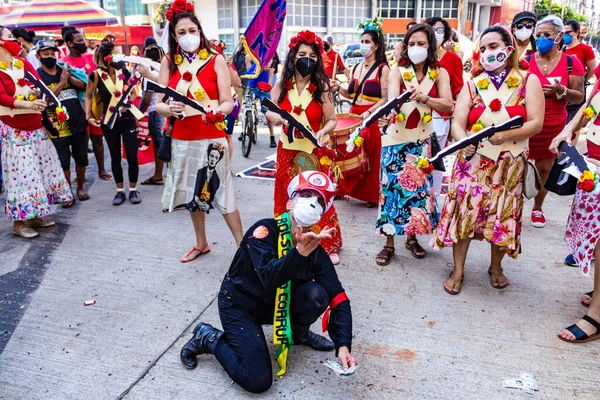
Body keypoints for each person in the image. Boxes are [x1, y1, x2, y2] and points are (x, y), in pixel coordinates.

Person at [179, 170, 356, 393]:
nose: (312, 202)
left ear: (322, 213)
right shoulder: (263, 231)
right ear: (290, 202)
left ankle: (299, 334)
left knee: (317, 294)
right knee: (257, 380)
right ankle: (209, 338)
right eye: (307, 194)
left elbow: (338, 297)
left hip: (272, 305)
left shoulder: (314, 250)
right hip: (239, 305)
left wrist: (343, 345)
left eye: (319, 199)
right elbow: (270, 276)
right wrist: (298, 254)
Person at [432, 26, 544, 294]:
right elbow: (458, 122)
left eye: (493, 47)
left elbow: (536, 123)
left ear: (509, 48)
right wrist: (465, 141)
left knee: (501, 216)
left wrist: (508, 134)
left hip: (509, 164)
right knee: (465, 215)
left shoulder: (528, 80)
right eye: (482, 49)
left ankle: (496, 266)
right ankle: (458, 270)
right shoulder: (473, 83)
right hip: (473, 162)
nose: (487, 53)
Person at [154, 0, 243, 262]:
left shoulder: (216, 60)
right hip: (182, 140)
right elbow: (158, 104)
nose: (188, 36)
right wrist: (169, 109)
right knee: (193, 195)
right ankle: (201, 243)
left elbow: (227, 100)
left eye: (192, 30)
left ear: (199, 31)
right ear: (174, 35)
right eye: (181, 32)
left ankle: (242, 248)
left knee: (223, 191)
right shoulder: (169, 62)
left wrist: (219, 112)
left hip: (213, 137)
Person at [375, 24, 452, 265]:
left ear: (431, 46)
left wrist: (426, 98)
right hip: (395, 139)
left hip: (421, 142)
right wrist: (386, 116)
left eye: (421, 43)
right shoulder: (398, 70)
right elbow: (392, 101)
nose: (415, 48)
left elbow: (448, 105)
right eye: (411, 44)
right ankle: (388, 244)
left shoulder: (440, 73)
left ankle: (412, 238)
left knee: (417, 194)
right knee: (390, 193)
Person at [266, 30, 341, 264]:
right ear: (292, 56)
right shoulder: (282, 84)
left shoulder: (322, 87)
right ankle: (289, 239)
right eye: (301, 54)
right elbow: (269, 110)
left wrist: (323, 131)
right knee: (287, 196)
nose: (307, 58)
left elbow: (332, 120)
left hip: (314, 152)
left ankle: (326, 243)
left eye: (312, 55)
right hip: (287, 150)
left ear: (318, 60)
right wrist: (274, 118)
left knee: (317, 197)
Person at [0, 26, 73, 238]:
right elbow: (2, 98)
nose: (17, 41)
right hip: (15, 128)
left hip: (36, 125)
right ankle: (19, 222)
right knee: (21, 175)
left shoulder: (22, 64)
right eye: (9, 37)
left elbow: (39, 84)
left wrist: (35, 93)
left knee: (38, 172)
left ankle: (33, 215)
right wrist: (27, 105)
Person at [551, 81, 600, 343]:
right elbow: (591, 104)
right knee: (596, 237)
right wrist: (570, 129)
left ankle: (598, 316)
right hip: (593, 164)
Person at [528, 15, 584, 228]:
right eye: (538, 35)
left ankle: (537, 208)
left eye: (547, 35)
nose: (542, 39)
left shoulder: (571, 62)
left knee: (545, 168)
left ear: (559, 37)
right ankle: (511, 204)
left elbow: (579, 96)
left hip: (553, 123)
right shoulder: (527, 60)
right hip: (528, 121)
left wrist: (562, 91)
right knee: (518, 167)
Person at [332, 17, 389, 207]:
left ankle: (370, 195)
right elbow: (351, 95)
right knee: (347, 151)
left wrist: (371, 112)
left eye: (367, 42)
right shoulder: (356, 67)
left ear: (376, 45)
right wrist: (337, 88)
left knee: (370, 155)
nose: (363, 45)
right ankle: (342, 188)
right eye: (362, 41)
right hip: (353, 115)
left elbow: (385, 98)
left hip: (371, 116)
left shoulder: (383, 69)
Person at [85, 41, 143, 205]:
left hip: (128, 119)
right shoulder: (95, 76)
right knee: (115, 156)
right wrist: (88, 116)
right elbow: (88, 96)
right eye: (116, 54)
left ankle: (132, 190)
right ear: (106, 57)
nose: (119, 57)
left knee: (132, 156)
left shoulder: (123, 71)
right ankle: (119, 191)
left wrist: (128, 103)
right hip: (109, 121)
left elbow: (132, 93)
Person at [36, 40, 89, 206]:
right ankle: (67, 193)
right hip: (56, 124)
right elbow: (43, 99)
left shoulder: (63, 68)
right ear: (38, 56)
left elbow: (85, 86)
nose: (50, 57)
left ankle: (80, 188)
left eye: (52, 53)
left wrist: (70, 79)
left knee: (81, 158)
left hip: (78, 120)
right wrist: (61, 82)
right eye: (46, 54)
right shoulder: (38, 75)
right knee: (63, 160)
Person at [62, 29, 112, 181]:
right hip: (77, 110)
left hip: (96, 106)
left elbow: (98, 80)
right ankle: (80, 175)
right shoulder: (64, 63)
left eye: (82, 39)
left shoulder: (91, 59)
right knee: (81, 143)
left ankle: (102, 170)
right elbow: (70, 84)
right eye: (78, 41)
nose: (82, 43)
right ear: (69, 44)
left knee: (98, 139)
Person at [425, 17, 464, 196]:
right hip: (416, 117)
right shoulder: (418, 56)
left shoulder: (453, 59)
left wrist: (454, 111)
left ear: (446, 34)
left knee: (436, 163)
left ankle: (434, 199)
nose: (435, 33)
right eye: (432, 29)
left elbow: (458, 90)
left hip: (441, 116)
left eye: (440, 30)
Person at [138, 44, 166, 185]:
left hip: (156, 111)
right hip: (167, 110)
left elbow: (146, 99)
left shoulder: (149, 73)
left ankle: (158, 175)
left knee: (159, 144)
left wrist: (137, 114)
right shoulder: (165, 69)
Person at [564, 20, 596, 123]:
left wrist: (583, 80)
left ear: (577, 32)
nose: (565, 35)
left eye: (568, 32)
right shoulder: (562, 49)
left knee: (573, 123)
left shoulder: (585, 49)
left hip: (577, 90)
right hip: (563, 90)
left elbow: (592, 69)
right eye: (563, 33)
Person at [246, 53, 277, 148]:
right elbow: (249, 74)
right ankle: (245, 129)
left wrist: (269, 87)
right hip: (252, 87)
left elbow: (271, 76)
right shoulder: (249, 57)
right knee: (247, 107)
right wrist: (260, 70)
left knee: (267, 112)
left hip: (264, 88)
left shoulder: (269, 57)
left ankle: (272, 136)